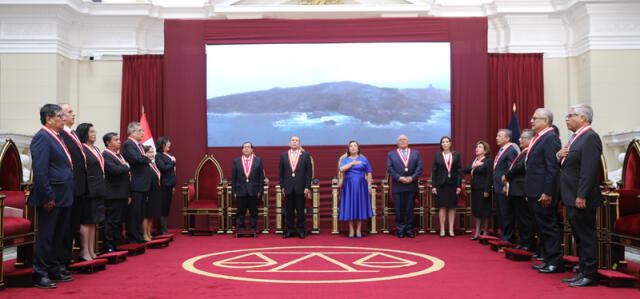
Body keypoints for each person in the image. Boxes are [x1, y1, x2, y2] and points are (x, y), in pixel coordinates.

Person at [29, 104, 74, 288]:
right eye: (59, 116)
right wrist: (47, 196)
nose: (63, 119)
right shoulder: (42, 137)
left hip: (63, 194)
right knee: (47, 235)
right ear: (48, 119)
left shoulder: (57, 137)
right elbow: (40, 171)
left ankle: (54, 268)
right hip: (52, 195)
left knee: (58, 234)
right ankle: (40, 273)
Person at [557, 104, 602, 287]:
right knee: (579, 236)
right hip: (571, 195)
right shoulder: (576, 138)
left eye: (570, 115)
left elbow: (589, 170)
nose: (566, 118)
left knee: (586, 236)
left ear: (583, 118)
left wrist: (582, 195)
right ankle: (582, 270)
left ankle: (590, 274)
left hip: (582, 197)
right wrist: (559, 156)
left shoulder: (590, 137)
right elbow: (570, 166)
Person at [526, 108, 563, 274]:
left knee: (548, 227)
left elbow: (552, 168)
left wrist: (548, 192)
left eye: (535, 118)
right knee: (542, 228)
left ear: (546, 121)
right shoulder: (539, 138)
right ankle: (548, 260)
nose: (531, 121)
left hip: (543, 192)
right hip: (534, 191)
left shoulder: (550, 138)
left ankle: (555, 262)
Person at [58, 103, 87, 268]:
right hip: (69, 187)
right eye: (69, 112)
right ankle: (62, 259)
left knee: (73, 224)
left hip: (79, 187)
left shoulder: (73, 134)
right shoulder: (60, 134)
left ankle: (67, 257)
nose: (73, 114)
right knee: (66, 226)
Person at [76, 123, 106, 261]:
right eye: (91, 132)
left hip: (98, 188)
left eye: (95, 131)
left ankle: (92, 250)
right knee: (87, 220)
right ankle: (84, 251)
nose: (94, 134)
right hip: (88, 189)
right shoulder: (81, 148)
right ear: (84, 133)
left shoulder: (96, 148)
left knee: (94, 221)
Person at [504, 129, 535, 251]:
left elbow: (518, 167)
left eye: (522, 138)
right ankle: (522, 241)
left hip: (521, 190)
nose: (519, 140)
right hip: (516, 190)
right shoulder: (523, 152)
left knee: (525, 218)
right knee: (519, 218)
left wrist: (507, 175)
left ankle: (527, 243)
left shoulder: (529, 152)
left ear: (529, 140)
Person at [387, 134, 423, 238]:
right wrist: (399, 178)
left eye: (404, 140)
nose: (402, 141)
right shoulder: (391, 154)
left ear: (408, 142)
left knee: (409, 209)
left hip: (411, 185)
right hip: (398, 186)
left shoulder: (416, 153)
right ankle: (400, 229)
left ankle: (410, 229)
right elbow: (390, 169)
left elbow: (419, 167)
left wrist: (412, 178)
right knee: (399, 209)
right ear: (397, 143)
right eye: (400, 140)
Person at [121, 122, 152, 244]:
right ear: (132, 132)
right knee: (134, 213)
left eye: (143, 131)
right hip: (136, 184)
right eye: (140, 131)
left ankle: (138, 234)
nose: (143, 133)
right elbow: (137, 159)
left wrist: (145, 159)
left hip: (143, 184)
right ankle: (132, 237)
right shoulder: (128, 144)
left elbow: (142, 159)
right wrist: (147, 159)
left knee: (140, 212)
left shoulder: (138, 145)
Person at [279, 136, 312, 239]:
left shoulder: (305, 155)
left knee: (301, 210)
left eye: (296, 140)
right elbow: (281, 173)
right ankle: (289, 230)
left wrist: (307, 186)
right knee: (289, 211)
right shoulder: (283, 155)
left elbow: (309, 173)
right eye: (292, 140)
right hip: (288, 187)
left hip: (301, 187)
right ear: (289, 143)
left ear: (299, 143)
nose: (294, 142)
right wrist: (282, 186)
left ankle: (301, 230)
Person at [102, 132, 130, 253]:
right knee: (111, 221)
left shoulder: (118, 155)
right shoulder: (105, 155)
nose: (119, 141)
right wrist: (126, 166)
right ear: (108, 143)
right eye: (116, 140)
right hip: (113, 194)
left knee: (118, 221)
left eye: (119, 139)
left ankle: (116, 243)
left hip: (122, 193)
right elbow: (114, 170)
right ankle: (108, 246)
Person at [338, 140, 373, 238]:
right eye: (351, 146)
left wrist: (369, 186)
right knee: (350, 206)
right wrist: (352, 163)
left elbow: (369, 172)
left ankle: (358, 230)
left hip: (361, 186)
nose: (353, 147)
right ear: (348, 149)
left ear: (358, 148)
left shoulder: (364, 159)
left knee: (359, 206)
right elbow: (342, 169)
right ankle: (351, 230)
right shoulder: (345, 159)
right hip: (349, 186)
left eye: (355, 146)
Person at [431, 136, 462, 237]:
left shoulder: (456, 155)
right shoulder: (437, 155)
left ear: (450, 143)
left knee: (452, 207)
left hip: (452, 184)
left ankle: (451, 229)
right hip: (441, 185)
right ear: (441, 144)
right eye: (443, 142)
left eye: (446, 141)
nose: (444, 143)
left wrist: (458, 186)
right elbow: (434, 172)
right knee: (442, 207)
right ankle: (442, 229)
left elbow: (459, 172)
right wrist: (434, 186)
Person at [493, 129, 519, 242]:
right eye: (497, 135)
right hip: (498, 186)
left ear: (507, 138)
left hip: (504, 188)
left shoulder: (511, 150)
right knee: (501, 213)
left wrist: (506, 185)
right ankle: (504, 234)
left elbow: (511, 170)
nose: (496, 138)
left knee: (506, 213)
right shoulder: (502, 150)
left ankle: (508, 237)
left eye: (499, 136)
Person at [231, 142, 264, 231]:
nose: (246, 149)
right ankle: (241, 227)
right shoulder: (236, 161)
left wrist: (260, 190)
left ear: (252, 149)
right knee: (240, 211)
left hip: (254, 190)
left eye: (248, 147)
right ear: (242, 149)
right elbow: (234, 177)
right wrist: (234, 191)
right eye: (244, 147)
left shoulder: (258, 160)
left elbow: (261, 177)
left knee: (253, 211)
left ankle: (253, 227)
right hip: (240, 190)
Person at [464, 141, 493, 240]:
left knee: (484, 210)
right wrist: (474, 165)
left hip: (483, 189)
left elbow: (489, 176)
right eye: (476, 147)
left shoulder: (488, 161)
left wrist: (487, 190)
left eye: (480, 147)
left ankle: (484, 231)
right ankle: (477, 231)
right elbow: (465, 170)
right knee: (476, 211)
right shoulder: (474, 160)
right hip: (475, 189)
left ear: (485, 150)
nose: (477, 148)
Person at [154, 136, 177, 235]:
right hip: (163, 185)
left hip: (169, 185)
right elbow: (163, 168)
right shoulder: (158, 156)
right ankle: (163, 230)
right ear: (163, 144)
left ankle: (163, 229)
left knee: (166, 207)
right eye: (168, 142)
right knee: (163, 207)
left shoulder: (166, 155)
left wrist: (173, 185)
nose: (170, 144)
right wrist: (172, 162)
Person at [142, 145, 162, 242]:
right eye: (149, 152)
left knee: (151, 215)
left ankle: (149, 232)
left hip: (155, 192)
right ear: (144, 154)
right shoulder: (144, 165)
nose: (152, 154)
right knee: (146, 215)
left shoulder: (153, 164)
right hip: (147, 192)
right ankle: (144, 234)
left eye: (152, 152)